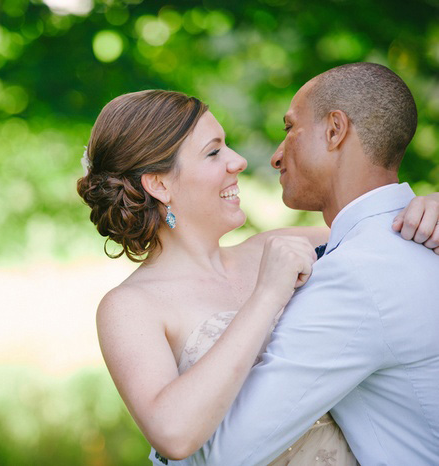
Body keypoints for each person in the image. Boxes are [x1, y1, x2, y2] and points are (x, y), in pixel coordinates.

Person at [76, 86, 439, 464]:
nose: (238, 162)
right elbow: (173, 435)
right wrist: (266, 297)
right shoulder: (130, 307)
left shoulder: (283, 243)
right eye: (214, 152)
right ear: (159, 184)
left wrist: (429, 204)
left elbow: (380, 238)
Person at [189, 63, 439, 465]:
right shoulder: (417, 243)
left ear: (335, 130)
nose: (275, 156)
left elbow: (229, 455)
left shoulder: (358, 274)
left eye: (290, 129)